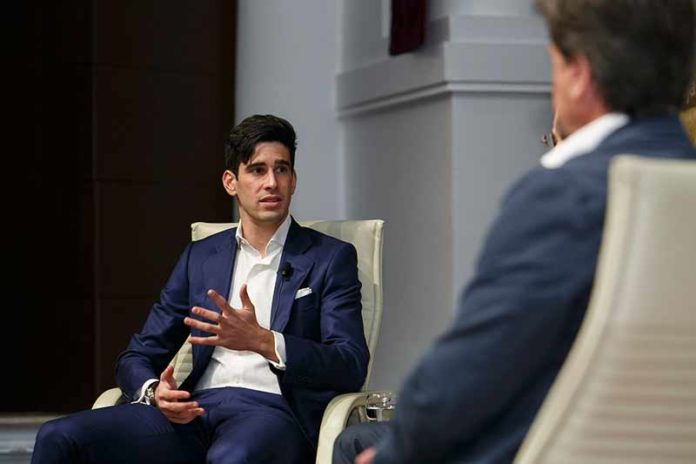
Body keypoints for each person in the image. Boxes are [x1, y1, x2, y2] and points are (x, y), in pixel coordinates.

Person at [333, 0, 696, 462]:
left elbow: (467, 375)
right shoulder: (678, 182)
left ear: (579, 74)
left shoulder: (565, 197)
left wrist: (397, 452)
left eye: (554, 63)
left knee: (360, 447)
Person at [32, 114, 369, 464]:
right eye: (257, 170)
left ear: (294, 180)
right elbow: (138, 355)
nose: (272, 182)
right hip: (195, 408)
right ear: (230, 182)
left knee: (231, 458)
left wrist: (263, 341)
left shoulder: (329, 258)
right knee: (59, 437)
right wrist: (154, 392)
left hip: (273, 413)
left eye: (281, 169)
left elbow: (349, 363)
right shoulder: (201, 257)